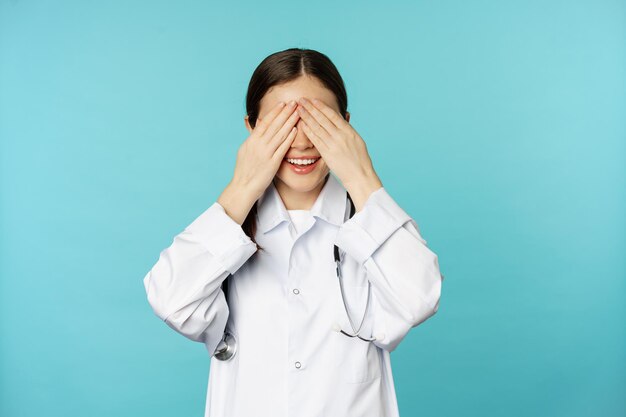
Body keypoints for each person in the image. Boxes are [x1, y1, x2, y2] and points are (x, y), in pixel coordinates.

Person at [143, 47, 444, 417]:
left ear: (346, 127)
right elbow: (170, 300)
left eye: (319, 122)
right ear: (251, 129)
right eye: (282, 124)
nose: (301, 141)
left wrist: (361, 177)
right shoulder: (229, 232)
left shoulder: (370, 227)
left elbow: (421, 296)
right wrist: (241, 187)